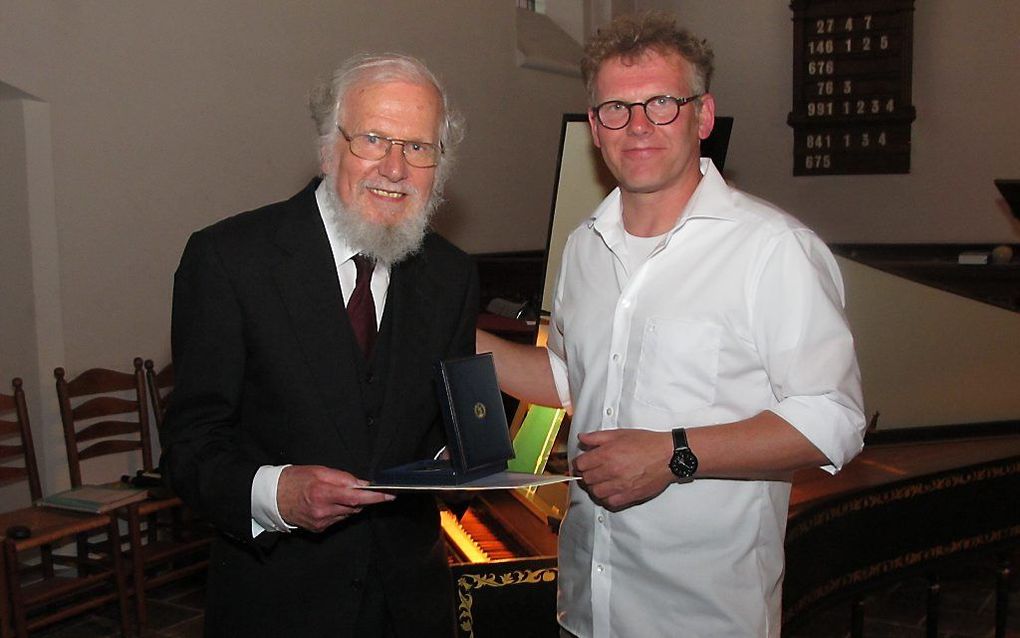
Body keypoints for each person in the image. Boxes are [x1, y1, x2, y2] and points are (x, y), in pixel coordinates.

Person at [477, 12, 866, 638]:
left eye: (661, 103)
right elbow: (572, 379)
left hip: (702, 616)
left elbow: (834, 419)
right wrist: (449, 334)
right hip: (587, 607)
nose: (636, 127)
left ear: (703, 116)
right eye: (614, 109)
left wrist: (675, 453)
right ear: (594, 129)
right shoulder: (584, 247)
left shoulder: (771, 249)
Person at [161, 53, 476, 637]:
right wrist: (275, 493)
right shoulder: (230, 261)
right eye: (374, 140)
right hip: (279, 604)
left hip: (412, 608)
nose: (395, 167)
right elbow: (191, 449)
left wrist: (466, 456)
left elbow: (446, 432)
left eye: (418, 147)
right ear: (330, 147)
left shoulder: (451, 276)